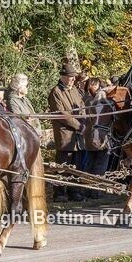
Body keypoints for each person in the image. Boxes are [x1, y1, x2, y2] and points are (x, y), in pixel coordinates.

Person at [48, 64, 85, 199]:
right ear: (63, 77)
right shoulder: (56, 92)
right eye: (70, 77)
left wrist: (84, 121)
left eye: (74, 77)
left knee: (76, 165)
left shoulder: (75, 89)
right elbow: (61, 114)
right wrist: (78, 125)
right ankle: (59, 193)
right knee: (62, 166)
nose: (73, 79)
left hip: (78, 135)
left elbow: (82, 106)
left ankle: (73, 191)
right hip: (65, 134)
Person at [82, 78, 112, 198]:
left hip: (91, 136)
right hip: (96, 135)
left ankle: (90, 190)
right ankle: (96, 191)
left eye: (96, 84)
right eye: (93, 84)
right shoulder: (96, 100)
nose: (94, 86)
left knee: (93, 163)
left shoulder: (86, 98)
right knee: (98, 163)